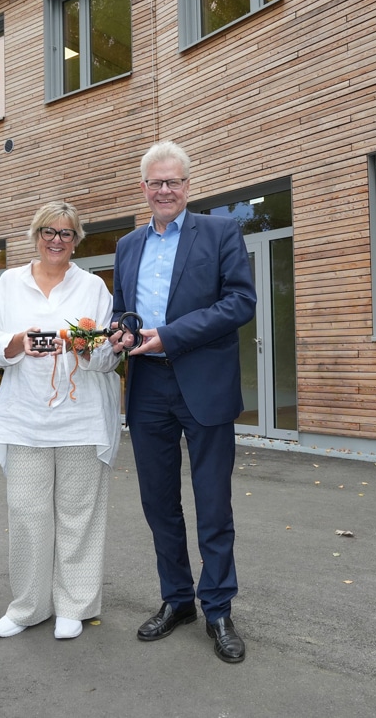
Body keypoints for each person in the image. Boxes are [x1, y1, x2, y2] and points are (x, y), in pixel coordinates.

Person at [113, 141, 257, 663]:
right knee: (159, 504)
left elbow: (241, 301)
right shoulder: (128, 245)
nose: (165, 190)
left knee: (213, 505)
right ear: (145, 188)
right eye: (155, 182)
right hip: (148, 387)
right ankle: (177, 601)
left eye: (173, 181)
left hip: (205, 384)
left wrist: (170, 335)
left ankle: (218, 607)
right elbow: (122, 310)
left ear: (188, 186)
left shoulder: (220, 232)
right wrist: (120, 333)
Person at [0, 201, 129, 641]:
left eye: (65, 233)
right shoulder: (10, 282)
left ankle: (73, 605)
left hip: (81, 420)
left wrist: (86, 346)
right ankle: (28, 606)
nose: (56, 240)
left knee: (79, 514)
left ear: (76, 239)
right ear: (35, 234)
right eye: (48, 231)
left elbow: (107, 355)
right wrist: (19, 341)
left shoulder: (94, 287)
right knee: (27, 514)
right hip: (25, 419)